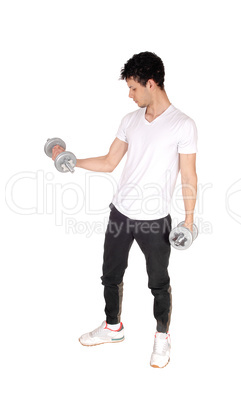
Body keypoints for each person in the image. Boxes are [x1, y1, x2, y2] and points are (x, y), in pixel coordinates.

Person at [52, 51, 198, 368]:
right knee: (110, 275)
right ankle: (112, 327)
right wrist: (71, 161)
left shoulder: (183, 125)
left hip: (155, 220)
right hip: (120, 213)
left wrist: (188, 221)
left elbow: (188, 175)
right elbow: (109, 162)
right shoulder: (129, 121)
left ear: (150, 83)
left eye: (133, 88)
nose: (130, 95)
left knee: (158, 282)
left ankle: (162, 338)